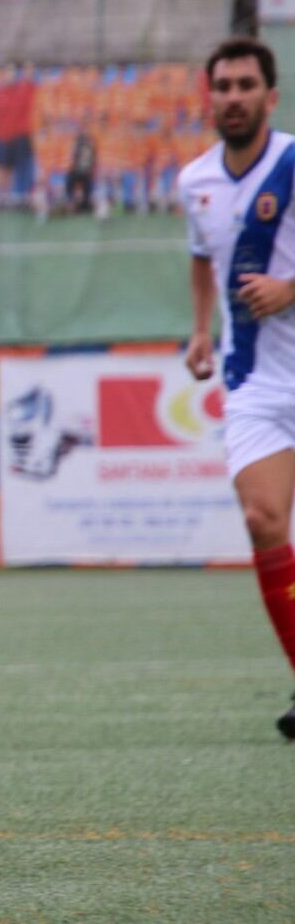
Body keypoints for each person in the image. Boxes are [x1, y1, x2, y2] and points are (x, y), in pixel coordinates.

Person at [181, 37, 295, 740]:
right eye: (221, 85)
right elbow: (201, 256)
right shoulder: (193, 180)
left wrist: (290, 287)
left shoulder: (294, 162)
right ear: (209, 95)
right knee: (262, 520)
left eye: (245, 84)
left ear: (270, 96)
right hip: (255, 380)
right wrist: (199, 330)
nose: (232, 96)